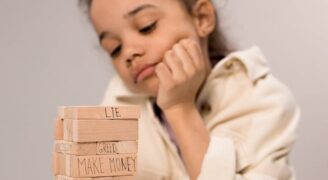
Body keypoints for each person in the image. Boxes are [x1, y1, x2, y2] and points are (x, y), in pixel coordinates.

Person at [79, 0, 300, 179]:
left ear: (202, 18)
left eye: (147, 26)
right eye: (114, 49)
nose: (128, 52)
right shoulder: (114, 105)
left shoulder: (262, 99)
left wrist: (179, 108)